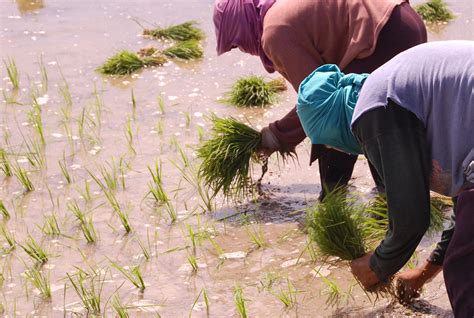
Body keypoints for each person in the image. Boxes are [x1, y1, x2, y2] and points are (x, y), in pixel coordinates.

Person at [296, 41, 474, 316]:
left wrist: (377, 265)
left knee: (465, 272)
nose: (339, 151)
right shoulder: (394, 89)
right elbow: (465, 207)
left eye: (330, 144)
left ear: (333, 126)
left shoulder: (375, 108)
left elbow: (412, 218)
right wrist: (423, 273)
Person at [213, 0, 427, 199]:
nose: (241, 49)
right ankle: (392, 197)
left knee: (336, 120)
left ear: (241, 24)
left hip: (386, 35)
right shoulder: (283, 8)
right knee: (375, 114)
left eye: (235, 43)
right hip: (405, 21)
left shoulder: (274, 32)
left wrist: (275, 136)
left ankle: (335, 201)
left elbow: (318, 105)